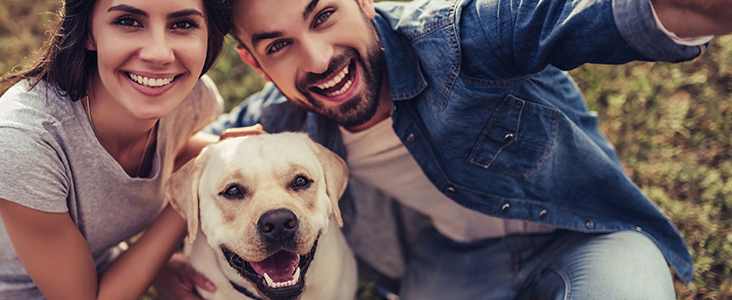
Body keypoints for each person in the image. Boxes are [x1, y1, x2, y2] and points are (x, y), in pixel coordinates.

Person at [187, 0, 732, 299]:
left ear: (364, 2)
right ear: (255, 64)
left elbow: (576, 14)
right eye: (279, 45)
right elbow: (190, 162)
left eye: (324, 15)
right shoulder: (281, 123)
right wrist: (166, 260)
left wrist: (698, 9)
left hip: (587, 235)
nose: (319, 57)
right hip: (453, 264)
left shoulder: (457, 38)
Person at [0, 0, 227, 299]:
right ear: (89, 32)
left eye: (183, 24)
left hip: (94, 270)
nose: (159, 54)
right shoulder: (22, 140)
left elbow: (176, 152)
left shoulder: (190, 101)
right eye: (128, 21)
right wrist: (188, 195)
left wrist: (231, 151)